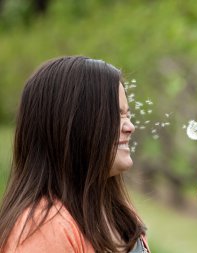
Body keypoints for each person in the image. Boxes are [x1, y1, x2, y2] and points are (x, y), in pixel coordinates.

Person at [0, 56, 150, 252]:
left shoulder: (122, 217)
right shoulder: (46, 230)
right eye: (115, 115)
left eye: (127, 115)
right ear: (74, 126)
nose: (130, 126)